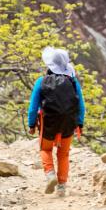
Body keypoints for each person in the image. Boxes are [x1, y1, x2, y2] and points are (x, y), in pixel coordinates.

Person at [27, 47, 86, 197]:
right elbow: (81, 106)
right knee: (63, 154)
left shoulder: (41, 81)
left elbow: (33, 107)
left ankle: (50, 174)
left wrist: (31, 124)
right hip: (68, 123)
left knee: (45, 149)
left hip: (48, 123)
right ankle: (61, 186)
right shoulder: (73, 82)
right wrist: (80, 124)